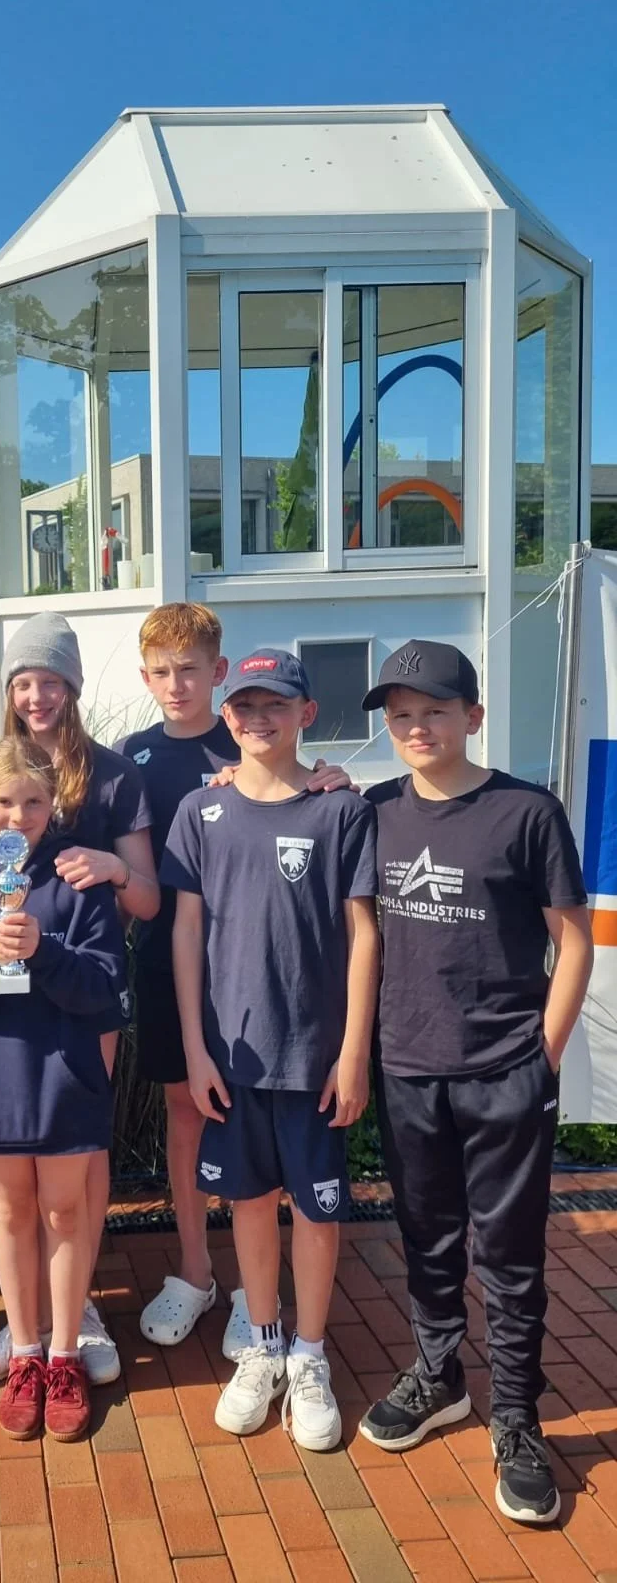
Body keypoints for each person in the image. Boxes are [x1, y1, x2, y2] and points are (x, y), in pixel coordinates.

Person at [355, 641, 593, 1524]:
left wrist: (545, 1053)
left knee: (512, 1256)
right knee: (426, 1238)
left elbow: (574, 941)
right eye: (402, 714)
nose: (418, 727)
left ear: (474, 717)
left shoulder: (526, 812)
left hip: (504, 1070)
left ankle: (520, 1418)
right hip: (409, 1066)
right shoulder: (374, 811)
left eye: (436, 711)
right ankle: (439, 1374)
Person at [164, 648, 379, 1452]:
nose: (260, 720)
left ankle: (311, 1356)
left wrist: (354, 1051)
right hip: (233, 1052)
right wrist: (195, 1045)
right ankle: (262, 1341)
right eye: (245, 707)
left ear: (305, 714)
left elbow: (365, 937)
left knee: (317, 1212)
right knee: (249, 1201)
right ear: (227, 717)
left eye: (276, 705)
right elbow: (187, 933)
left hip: (316, 1055)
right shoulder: (201, 811)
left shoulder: (340, 811)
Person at [119, 604, 350, 1352]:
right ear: (146, 678)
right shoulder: (132, 755)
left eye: (191, 669)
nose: (176, 684)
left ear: (218, 674)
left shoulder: (248, 734)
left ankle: (264, 1298)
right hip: (171, 967)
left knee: (259, 1135)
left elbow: (319, 808)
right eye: (162, 671)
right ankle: (195, 1271)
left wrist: (335, 775)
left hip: (259, 984)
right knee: (189, 1114)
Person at [0, 612, 158, 1389]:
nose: (36, 694)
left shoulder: (111, 774)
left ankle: (82, 1313)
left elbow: (148, 901)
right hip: (3, 1010)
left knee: (79, 1152)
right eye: (22, 681)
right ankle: (27, 1324)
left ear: (71, 685)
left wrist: (109, 865)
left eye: (50, 679)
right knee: (19, 1180)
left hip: (82, 988)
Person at [0, 736, 127, 1441]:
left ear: (53, 806)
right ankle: (24, 1352)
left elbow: (106, 983)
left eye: (33, 802)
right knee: (10, 1216)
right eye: (3, 801)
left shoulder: (79, 879)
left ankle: (66, 1355)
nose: (18, 815)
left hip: (66, 1073)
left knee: (65, 1216)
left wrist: (44, 950)